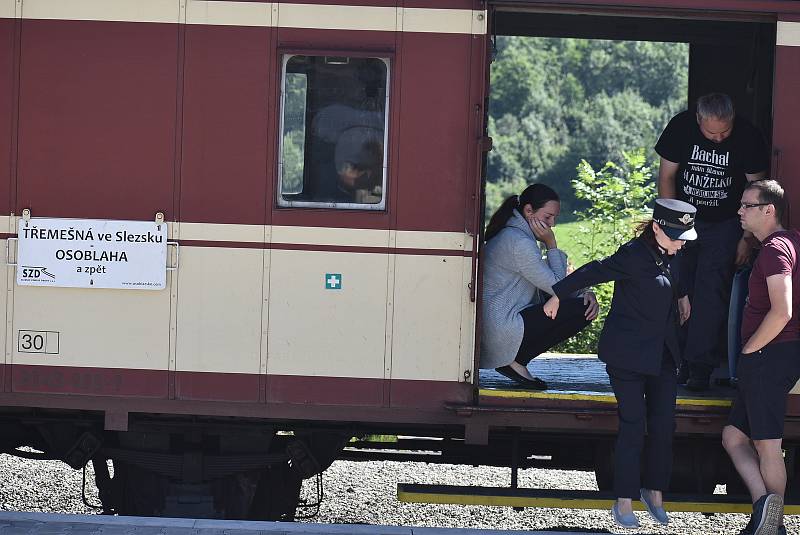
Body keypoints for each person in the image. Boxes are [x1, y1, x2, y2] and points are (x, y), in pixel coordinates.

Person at [543, 199, 696, 529]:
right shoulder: (632, 255)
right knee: (632, 425)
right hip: (627, 355)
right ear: (656, 228)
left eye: (685, 236)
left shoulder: (675, 250)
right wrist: (557, 293)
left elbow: (676, 273)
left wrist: (681, 294)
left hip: (663, 355)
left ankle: (654, 492)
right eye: (676, 236)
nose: (682, 242)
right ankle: (623, 499)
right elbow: (594, 270)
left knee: (663, 425)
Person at [655, 93, 768, 390]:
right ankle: (676, 362)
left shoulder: (748, 137)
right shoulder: (680, 128)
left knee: (711, 294)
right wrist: (670, 226)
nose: (718, 138)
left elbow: (755, 190)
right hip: (684, 218)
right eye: (710, 133)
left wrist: (747, 237)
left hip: (725, 224)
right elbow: (666, 177)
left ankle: (700, 367)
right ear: (698, 120)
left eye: (724, 132)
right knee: (676, 286)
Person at [721, 180, 799, 535]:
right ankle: (763, 510)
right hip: (774, 356)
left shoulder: (775, 251)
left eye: (746, 205)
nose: (740, 211)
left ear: (769, 210)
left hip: (768, 357)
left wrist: (751, 349)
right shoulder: (790, 242)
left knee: (768, 446)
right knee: (734, 437)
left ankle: (774, 526)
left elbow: (782, 310)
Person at [479, 184, 599, 389]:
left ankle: (515, 360)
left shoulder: (514, 234)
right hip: (502, 331)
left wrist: (586, 291)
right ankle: (515, 360)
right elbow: (558, 288)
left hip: (497, 326)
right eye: (548, 217)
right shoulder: (519, 243)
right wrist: (551, 244)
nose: (552, 224)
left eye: (555, 218)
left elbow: (547, 280)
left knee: (578, 302)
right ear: (528, 211)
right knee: (581, 309)